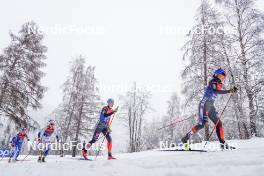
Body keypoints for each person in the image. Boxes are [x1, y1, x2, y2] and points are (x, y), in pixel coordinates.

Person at [181, 68, 237, 149]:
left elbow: (217, 92)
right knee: (201, 124)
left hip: (211, 106)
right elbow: (215, 91)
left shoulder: (219, 83)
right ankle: (185, 139)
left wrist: (231, 91)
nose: (223, 77)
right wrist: (229, 91)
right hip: (204, 104)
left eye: (224, 76)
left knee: (219, 123)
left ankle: (223, 144)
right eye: (222, 75)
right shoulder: (213, 81)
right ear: (217, 74)